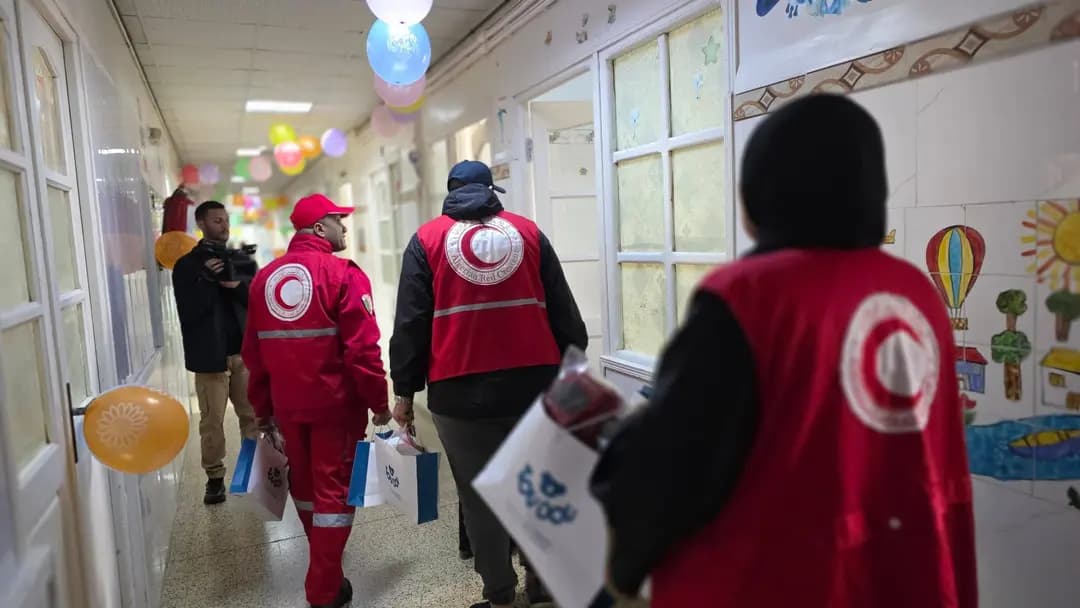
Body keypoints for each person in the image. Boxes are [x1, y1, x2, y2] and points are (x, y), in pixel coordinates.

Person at [590, 95, 977, 608]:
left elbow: (677, 461)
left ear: (763, 191)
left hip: (774, 580)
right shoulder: (916, 292)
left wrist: (624, 567)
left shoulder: (749, 295)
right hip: (900, 573)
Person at [390, 160, 588, 608]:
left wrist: (404, 390)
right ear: (490, 191)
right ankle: (541, 585)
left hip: (459, 391)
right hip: (535, 382)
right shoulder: (527, 232)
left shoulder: (426, 240)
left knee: (478, 495)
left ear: (451, 191)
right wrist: (573, 358)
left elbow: (412, 322)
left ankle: (499, 593)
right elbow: (564, 309)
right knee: (536, 485)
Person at [243, 194, 392, 608]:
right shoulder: (342, 273)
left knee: (306, 489)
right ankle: (323, 589)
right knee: (334, 493)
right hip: (335, 408)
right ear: (320, 228)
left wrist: (263, 413)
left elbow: (253, 355)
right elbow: (363, 351)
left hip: (288, 407)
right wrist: (378, 401)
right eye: (339, 221)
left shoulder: (265, 279)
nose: (345, 229)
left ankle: (327, 569)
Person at [173, 200, 258, 505]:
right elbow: (188, 311)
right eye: (217, 221)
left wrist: (233, 284)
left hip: (243, 355)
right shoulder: (186, 266)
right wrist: (206, 280)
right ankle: (214, 478)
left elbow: (255, 299)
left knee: (252, 415)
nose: (224, 226)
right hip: (210, 359)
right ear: (201, 224)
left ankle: (252, 473)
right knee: (212, 422)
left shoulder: (241, 259)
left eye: (226, 220)